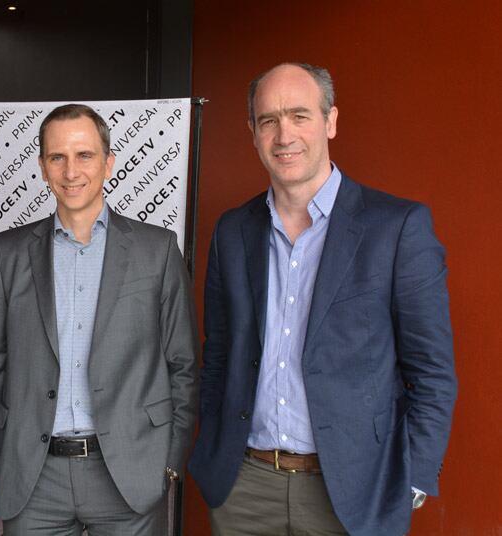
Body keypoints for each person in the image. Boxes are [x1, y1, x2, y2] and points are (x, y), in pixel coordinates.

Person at [188, 62, 458, 536]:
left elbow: (432, 371)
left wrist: (413, 478)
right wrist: (213, 453)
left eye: (299, 115)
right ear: (252, 133)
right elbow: (219, 355)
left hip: (354, 492)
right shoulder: (233, 231)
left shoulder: (396, 228)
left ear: (330, 121)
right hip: (244, 488)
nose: (283, 134)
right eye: (268, 120)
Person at [0, 104, 199, 536]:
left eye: (85, 155)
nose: (71, 170)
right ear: (42, 166)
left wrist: (168, 462)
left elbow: (182, 364)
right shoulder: (8, 252)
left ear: (108, 162)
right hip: (32, 479)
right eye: (58, 157)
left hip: (129, 473)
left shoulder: (158, 250)